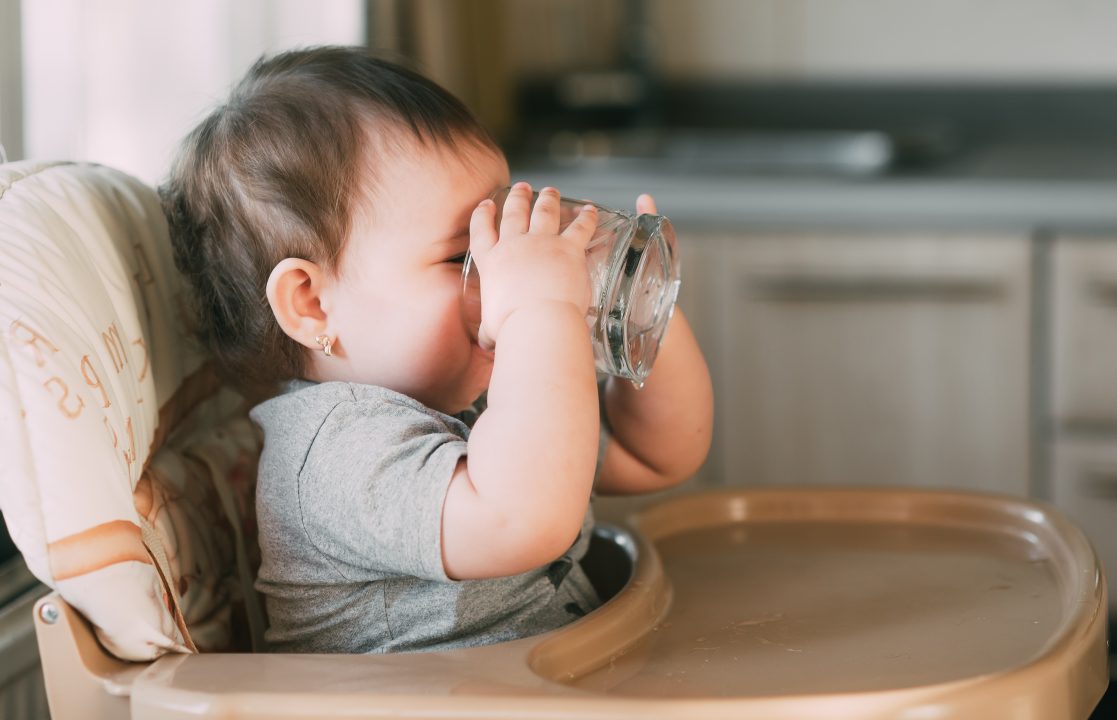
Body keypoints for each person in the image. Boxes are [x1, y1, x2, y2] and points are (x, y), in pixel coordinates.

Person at [160, 46, 713, 654]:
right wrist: (541, 309)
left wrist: (633, 305)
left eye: (500, 234)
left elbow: (657, 453)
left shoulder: (476, 398)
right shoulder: (337, 453)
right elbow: (523, 519)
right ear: (312, 304)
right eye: (462, 257)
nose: (502, 273)